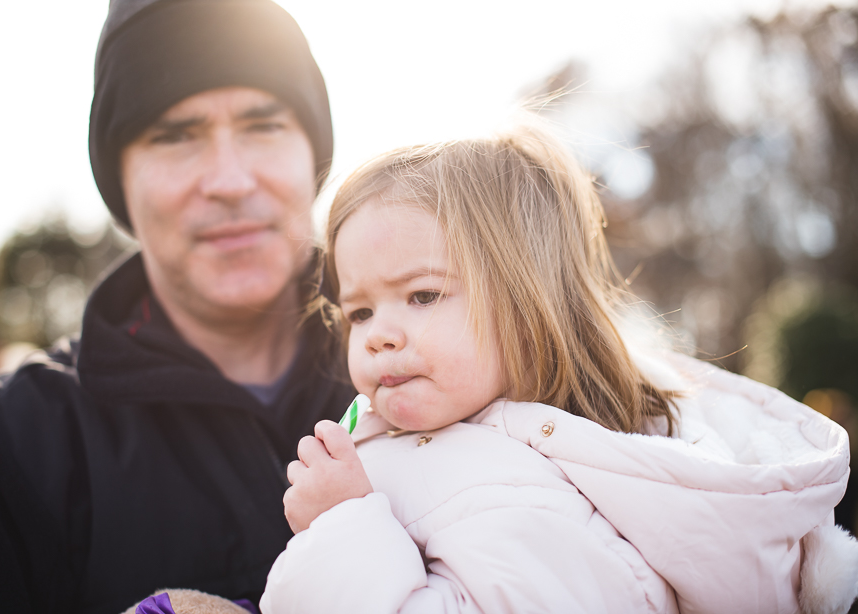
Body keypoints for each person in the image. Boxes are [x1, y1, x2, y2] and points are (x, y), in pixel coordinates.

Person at [259, 125, 858, 614]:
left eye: (422, 295)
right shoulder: (454, 446)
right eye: (360, 311)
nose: (377, 336)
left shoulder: (534, 492)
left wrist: (339, 527)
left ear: (529, 307)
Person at [0, 1, 354, 612]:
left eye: (263, 126)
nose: (230, 180)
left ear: (314, 154)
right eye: (175, 136)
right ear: (119, 183)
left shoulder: (475, 368)